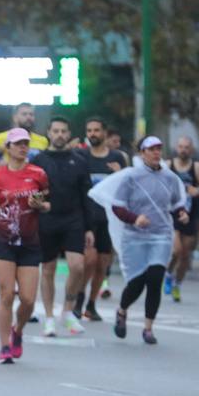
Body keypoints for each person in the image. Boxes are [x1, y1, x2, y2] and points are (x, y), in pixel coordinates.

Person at [93, 136, 189, 344]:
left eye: (159, 148)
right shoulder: (131, 177)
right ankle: (122, 310)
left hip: (161, 234)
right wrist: (135, 218)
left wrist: (181, 213)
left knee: (155, 279)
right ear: (142, 152)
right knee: (137, 282)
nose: (156, 153)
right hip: (134, 236)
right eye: (151, 149)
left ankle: (148, 328)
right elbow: (117, 206)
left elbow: (176, 203)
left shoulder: (170, 178)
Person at [0, 128, 51, 364]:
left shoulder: (38, 174)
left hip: (30, 243)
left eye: (26, 143)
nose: (23, 147)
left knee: (27, 299)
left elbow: (47, 204)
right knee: (6, 294)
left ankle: (18, 331)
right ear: (8, 148)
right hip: (3, 241)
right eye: (18, 144)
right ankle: (4, 346)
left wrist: (40, 205)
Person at [34, 116, 93, 336]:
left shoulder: (79, 160)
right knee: (48, 269)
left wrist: (89, 228)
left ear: (68, 135)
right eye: (56, 131)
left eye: (63, 131)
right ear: (49, 133)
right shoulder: (38, 161)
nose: (60, 135)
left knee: (78, 266)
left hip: (73, 220)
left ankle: (68, 311)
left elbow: (87, 196)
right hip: (47, 220)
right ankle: (49, 317)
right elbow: (32, 194)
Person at [81, 117, 128, 319]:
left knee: (102, 264)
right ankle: (77, 299)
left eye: (96, 130)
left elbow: (128, 189)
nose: (93, 134)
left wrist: (122, 174)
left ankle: (91, 304)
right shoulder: (80, 156)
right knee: (88, 261)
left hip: (109, 219)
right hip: (86, 218)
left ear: (104, 133)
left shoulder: (117, 157)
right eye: (89, 130)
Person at [164, 136, 199, 302]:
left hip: (192, 214)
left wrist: (197, 190)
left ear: (191, 150)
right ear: (176, 148)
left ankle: (178, 284)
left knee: (185, 255)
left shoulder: (196, 167)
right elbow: (161, 185)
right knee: (176, 251)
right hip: (174, 213)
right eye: (181, 147)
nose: (183, 150)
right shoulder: (168, 166)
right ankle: (169, 274)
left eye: (186, 147)